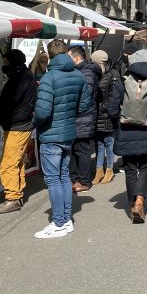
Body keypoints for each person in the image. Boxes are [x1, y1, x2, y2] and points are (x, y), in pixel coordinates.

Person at [32, 39, 92, 239]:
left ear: (49, 56)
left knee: (53, 179)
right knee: (64, 176)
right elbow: (84, 105)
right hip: (68, 131)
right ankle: (65, 220)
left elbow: (42, 111)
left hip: (51, 134)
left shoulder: (49, 78)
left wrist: (35, 122)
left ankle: (59, 222)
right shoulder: (78, 75)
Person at [108, 48, 147, 223]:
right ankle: (141, 199)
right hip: (144, 129)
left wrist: (122, 116)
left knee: (130, 168)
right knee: (145, 167)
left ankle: (133, 203)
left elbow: (111, 108)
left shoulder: (122, 81)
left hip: (125, 130)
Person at [0, 49, 36, 214]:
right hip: (19, 124)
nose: (4, 66)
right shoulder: (25, 75)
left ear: (13, 63)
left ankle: (12, 198)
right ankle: (17, 192)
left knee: (8, 164)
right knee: (16, 162)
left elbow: (11, 99)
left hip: (18, 125)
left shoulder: (21, 78)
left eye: (6, 62)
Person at [68, 45, 101, 193]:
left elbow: (84, 97)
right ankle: (74, 179)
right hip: (80, 117)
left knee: (82, 150)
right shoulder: (81, 71)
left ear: (76, 58)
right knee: (74, 150)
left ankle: (84, 181)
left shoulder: (86, 72)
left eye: (69, 57)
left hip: (83, 117)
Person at [91, 49, 119, 185]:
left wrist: (104, 107)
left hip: (107, 115)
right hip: (96, 115)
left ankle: (109, 170)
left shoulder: (113, 74)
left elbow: (115, 95)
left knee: (108, 143)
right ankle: (98, 171)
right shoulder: (95, 74)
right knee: (98, 144)